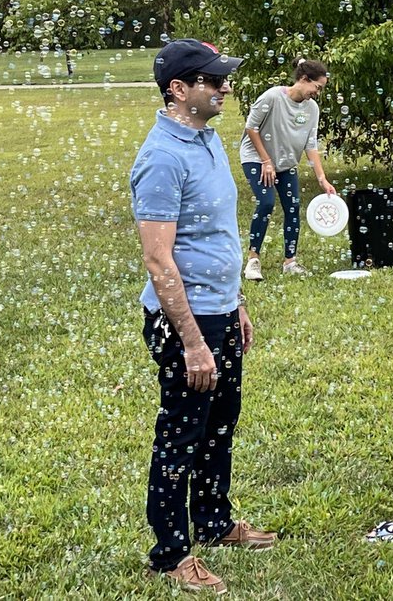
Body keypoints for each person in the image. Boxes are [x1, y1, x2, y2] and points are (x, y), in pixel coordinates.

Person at [130, 38, 276, 594]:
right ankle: (171, 553)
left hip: (219, 313)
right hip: (184, 322)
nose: (225, 88)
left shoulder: (208, 139)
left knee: (220, 424)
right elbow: (158, 258)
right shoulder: (162, 157)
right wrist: (192, 341)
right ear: (179, 90)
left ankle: (214, 524)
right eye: (214, 81)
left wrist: (236, 301)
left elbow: (216, 236)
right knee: (181, 433)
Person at [239, 59, 336, 280]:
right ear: (303, 79)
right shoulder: (272, 97)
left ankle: (290, 261)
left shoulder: (312, 109)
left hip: (285, 163)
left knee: (293, 207)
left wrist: (322, 179)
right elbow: (251, 128)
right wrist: (266, 162)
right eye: (317, 87)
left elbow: (311, 144)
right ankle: (253, 260)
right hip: (256, 158)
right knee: (266, 202)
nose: (317, 93)